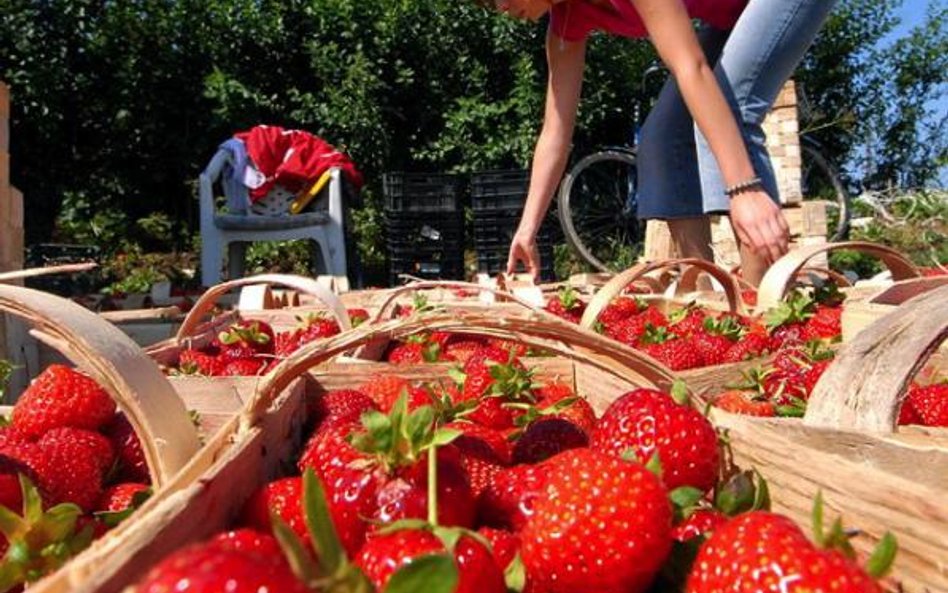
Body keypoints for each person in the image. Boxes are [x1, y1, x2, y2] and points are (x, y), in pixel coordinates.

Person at [487, 0, 832, 285]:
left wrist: (744, 189)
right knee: (662, 140)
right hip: (733, 15)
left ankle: (769, 313)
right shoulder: (563, 26)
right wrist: (527, 228)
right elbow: (555, 131)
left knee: (729, 108)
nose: (498, 8)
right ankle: (705, 299)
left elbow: (690, 68)